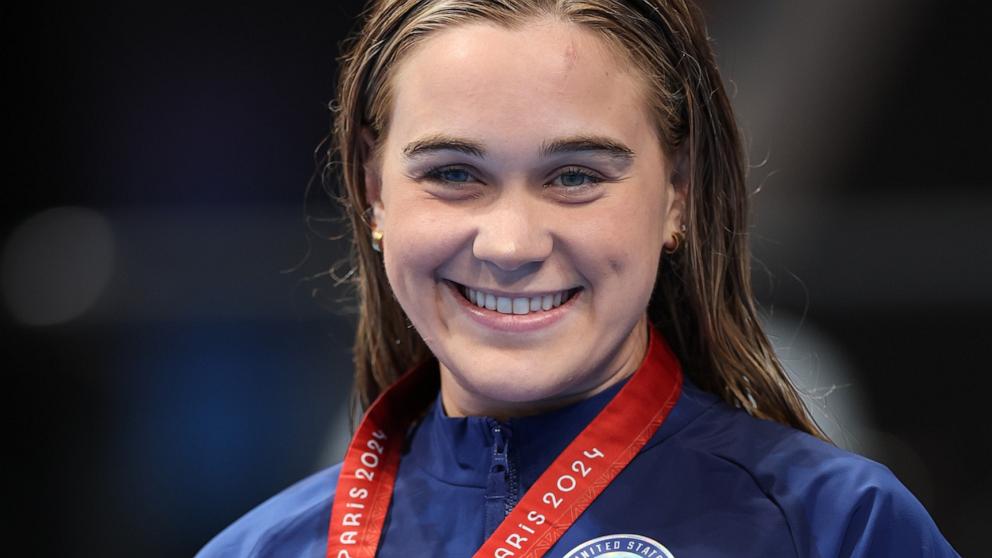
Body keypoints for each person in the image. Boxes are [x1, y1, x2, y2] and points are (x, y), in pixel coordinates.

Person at [197, 1, 959, 556]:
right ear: (372, 190)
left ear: (678, 194)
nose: (511, 243)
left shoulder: (836, 528)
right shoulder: (262, 549)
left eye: (574, 175)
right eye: (454, 173)